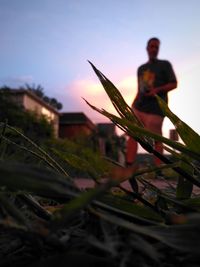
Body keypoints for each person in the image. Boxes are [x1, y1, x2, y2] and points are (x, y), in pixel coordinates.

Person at [126, 37, 177, 166]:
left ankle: (157, 170)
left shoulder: (165, 65)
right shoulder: (141, 68)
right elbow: (139, 89)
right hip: (138, 107)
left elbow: (174, 83)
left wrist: (157, 90)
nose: (154, 49)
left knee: (156, 139)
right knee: (132, 134)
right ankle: (129, 166)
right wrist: (132, 105)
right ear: (147, 48)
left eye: (156, 47)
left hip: (156, 109)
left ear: (158, 49)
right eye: (152, 46)